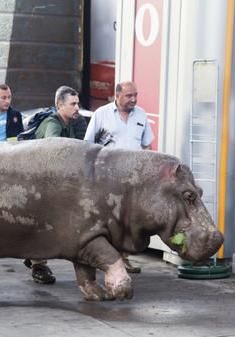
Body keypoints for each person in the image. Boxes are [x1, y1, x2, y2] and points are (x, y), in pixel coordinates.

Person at [83, 80, 155, 274]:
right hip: (107, 178)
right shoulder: (102, 114)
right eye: (129, 95)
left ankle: (123, 258)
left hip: (133, 180)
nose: (133, 99)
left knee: (128, 220)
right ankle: (105, 259)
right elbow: (88, 146)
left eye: (135, 95)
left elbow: (147, 146)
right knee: (107, 219)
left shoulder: (140, 114)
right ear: (117, 95)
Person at [23, 85, 81, 285]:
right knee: (42, 225)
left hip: (52, 184)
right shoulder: (53, 124)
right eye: (72, 104)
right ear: (60, 105)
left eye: (78, 103)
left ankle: (35, 257)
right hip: (40, 185)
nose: (77, 108)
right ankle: (38, 264)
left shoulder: (70, 123)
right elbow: (54, 150)